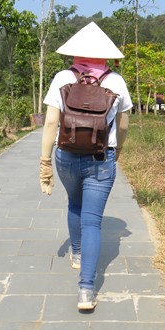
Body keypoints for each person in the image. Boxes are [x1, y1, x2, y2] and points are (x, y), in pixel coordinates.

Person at [39, 22, 133, 311]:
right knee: (92, 221)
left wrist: (44, 163)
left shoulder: (62, 78)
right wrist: (118, 149)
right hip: (101, 158)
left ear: (75, 51)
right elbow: (124, 125)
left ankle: (77, 253)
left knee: (74, 203)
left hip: (66, 156)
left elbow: (51, 123)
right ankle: (86, 291)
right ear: (106, 54)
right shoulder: (116, 81)